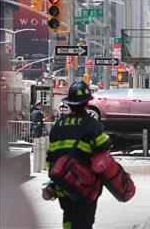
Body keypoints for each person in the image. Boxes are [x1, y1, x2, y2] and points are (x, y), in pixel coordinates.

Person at [46, 81, 112, 229]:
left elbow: (50, 156)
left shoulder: (58, 125)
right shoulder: (91, 124)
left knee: (68, 216)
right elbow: (105, 145)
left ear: (69, 104)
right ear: (87, 104)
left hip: (62, 183)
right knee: (83, 222)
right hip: (84, 185)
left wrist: (54, 182)